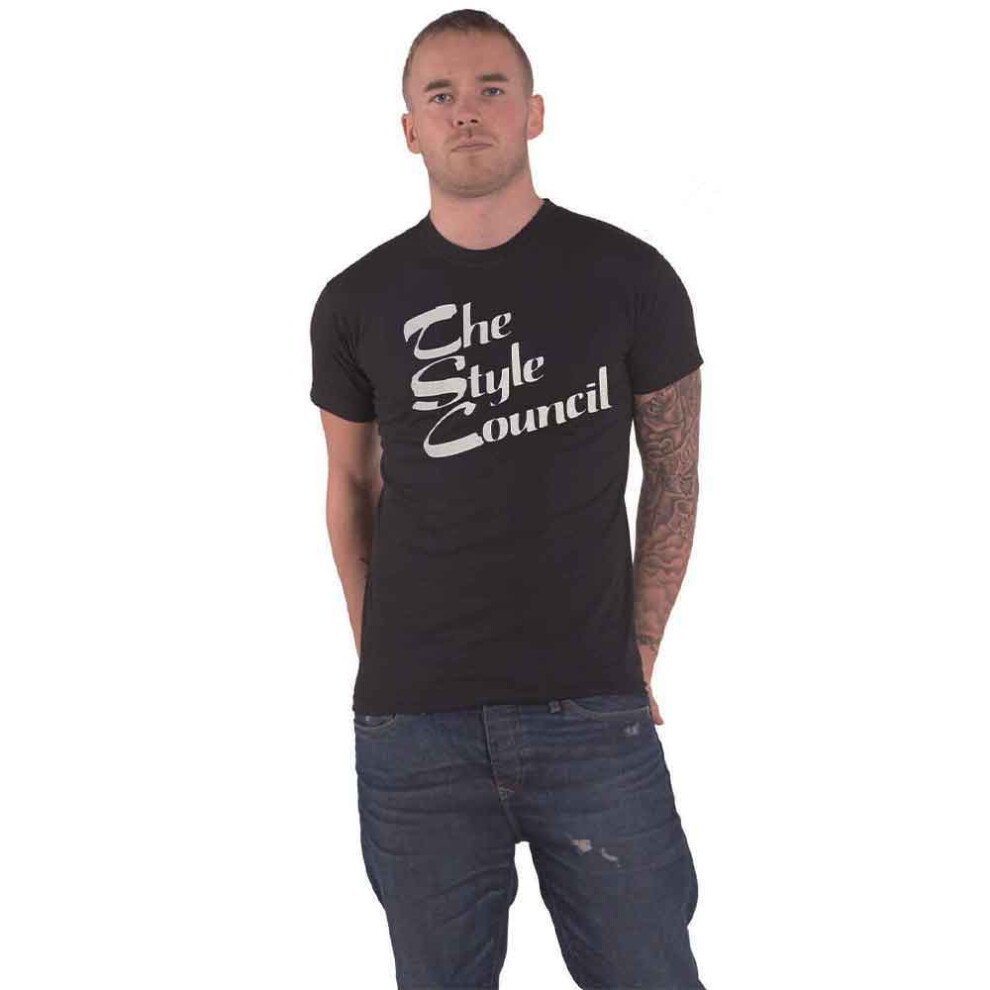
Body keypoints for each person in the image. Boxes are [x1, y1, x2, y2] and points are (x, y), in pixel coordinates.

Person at [309, 10, 706, 988]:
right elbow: (349, 487)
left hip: (591, 715)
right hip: (414, 732)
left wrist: (639, 651)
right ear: (409, 128)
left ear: (534, 113)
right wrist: (381, 652)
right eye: (439, 95)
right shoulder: (357, 301)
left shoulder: (630, 277)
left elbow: (675, 474)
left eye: (491, 89)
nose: (467, 112)